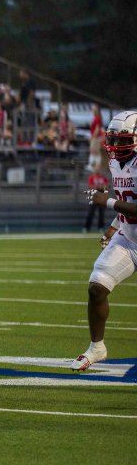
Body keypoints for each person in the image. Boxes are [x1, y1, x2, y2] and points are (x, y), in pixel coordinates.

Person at [74, 111, 137, 371]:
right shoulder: (115, 162)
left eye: (123, 139)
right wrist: (113, 229)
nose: (116, 145)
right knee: (97, 287)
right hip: (129, 238)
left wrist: (107, 201)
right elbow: (127, 200)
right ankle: (97, 347)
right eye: (113, 139)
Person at [84, 164, 109, 233]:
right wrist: (100, 187)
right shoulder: (92, 177)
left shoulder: (104, 178)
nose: (97, 170)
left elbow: (106, 187)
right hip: (94, 198)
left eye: (98, 169)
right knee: (90, 213)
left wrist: (98, 187)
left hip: (101, 198)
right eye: (96, 169)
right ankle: (86, 227)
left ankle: (101, 227)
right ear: (94, 170)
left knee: (101, 214)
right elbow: (91, 187)